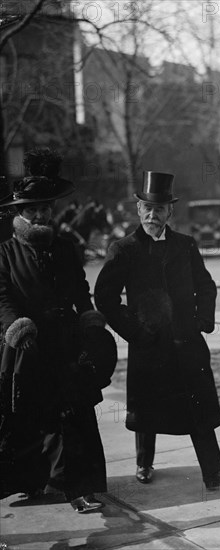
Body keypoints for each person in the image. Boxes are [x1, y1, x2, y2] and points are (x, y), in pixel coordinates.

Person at [94, 171, 220, 490]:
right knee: (148, 408)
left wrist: (203, 320)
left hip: (186, 342)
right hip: (149, 344)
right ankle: (144, 464)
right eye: (147, 207)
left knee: (198, 407)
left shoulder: (186, 246)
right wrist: (134, 330)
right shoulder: (125, 249)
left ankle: (213, 472)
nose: (152, 214)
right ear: (138, 210)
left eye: (159, 208)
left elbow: (206, 286)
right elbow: (104, 297)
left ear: (170, 211)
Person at [0, 148, 116, 513]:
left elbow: (81, 290)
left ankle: (77, 488)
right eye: (32, 209)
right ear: (19, 213)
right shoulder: (4, 254)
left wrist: (90, 319)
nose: (40, 214)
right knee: (32, 417)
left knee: (73, 413)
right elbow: (2, 299)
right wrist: (20, 331)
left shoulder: (65, 248)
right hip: (27, 347)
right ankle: (34, 481)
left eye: (45, 208)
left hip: (66, 341)